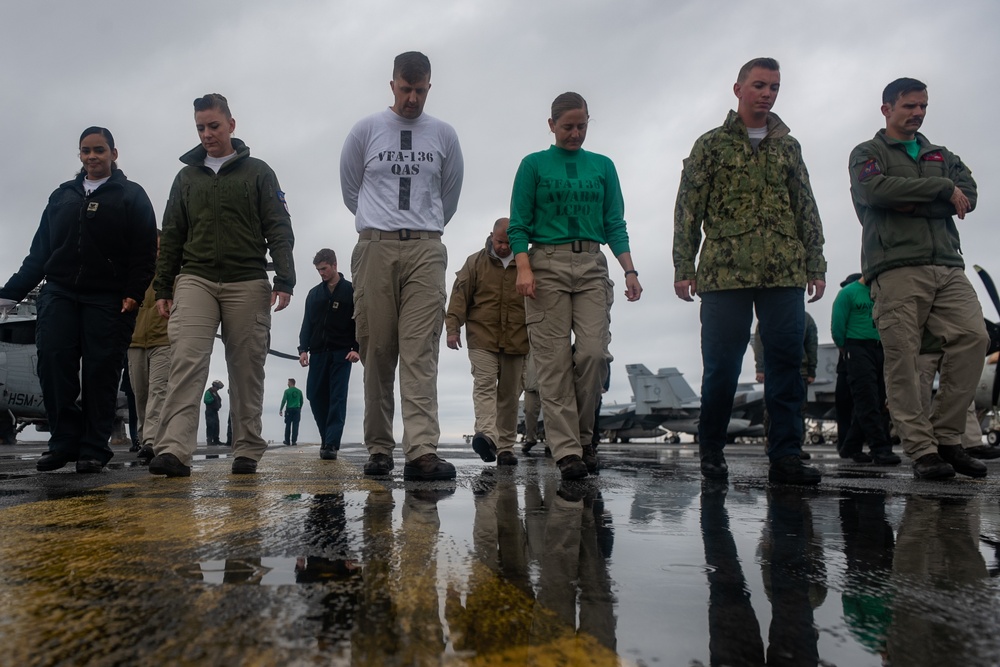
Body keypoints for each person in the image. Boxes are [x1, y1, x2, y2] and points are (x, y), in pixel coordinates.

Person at [672, 57, 826, 485]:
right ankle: (711, 450)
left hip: (784, 271)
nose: (767, 93)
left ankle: (786, 457)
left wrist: (816, 262)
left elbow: (805, 206)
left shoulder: (788, 147)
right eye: (759, 85)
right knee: (721, 367)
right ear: (737, 89)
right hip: (725, 274)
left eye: (774, 87)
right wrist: (684, 266)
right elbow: (688, 209)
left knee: (786, 366)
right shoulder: (710, 145)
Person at [149, 93, 295, 477]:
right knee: (186, 360)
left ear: (232, 124)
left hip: (247, 279)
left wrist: (284, 277)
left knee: (247, 367)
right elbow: (173, 233)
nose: (207, 134)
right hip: (195, 278)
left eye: (214, 126)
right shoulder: (186, 178)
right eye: (200, 128)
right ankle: (174, 450)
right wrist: (164, 287)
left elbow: (278, 227)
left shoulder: (258, 172)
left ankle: (246, 448)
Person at [849, 77, 988, 480]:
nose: (918, 113)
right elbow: (875, 192)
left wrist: (914, 200)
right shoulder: (867, 152)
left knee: (974, 338)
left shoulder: (940, 154)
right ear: (887, 109)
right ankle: (922, 449)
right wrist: (942, 191)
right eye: (909, 106)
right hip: (895, 267)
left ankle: (948, 438)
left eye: (923, 106)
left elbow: (971, 196)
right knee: (903, 359)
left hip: (947, 263)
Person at [0, 127, 157, 473]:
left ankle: (93, 448)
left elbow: (144, 253)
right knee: (54, 362)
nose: (92, 157)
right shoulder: (63, 196)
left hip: (108, 297)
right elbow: (39, 253)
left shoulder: (131, 196)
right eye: (85, 151)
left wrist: (133, 293)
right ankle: (63, 442)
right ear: (80, 155)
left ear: (114, 154)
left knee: (101, 372)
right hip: (59, 292)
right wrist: (7, 296)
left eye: (99, 150)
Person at [340, 51, 464, 480]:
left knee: (420, 351)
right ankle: (378, 449)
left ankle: (422, 451)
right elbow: (350, 190)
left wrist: (419, 228)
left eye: (420, 90)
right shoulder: (365, 131)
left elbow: (448, 197)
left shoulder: (444, 135)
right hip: (376, 247)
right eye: (405, 89)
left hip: (426, 251)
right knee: (377, 349)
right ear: (392, 84)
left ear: (430, 86)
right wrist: (383, 227)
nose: (412, 98)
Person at [508, 91, 642, 480]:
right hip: (544, 264)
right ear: (551, 125)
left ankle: (584, 438)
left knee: (593, 355)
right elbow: (519, 223)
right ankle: (566, 450)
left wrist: (629, 270)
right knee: (552, 364)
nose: (575, 134)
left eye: (582, 126)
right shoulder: (533, 165)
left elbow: (615, 222)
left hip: (591, 265)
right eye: (567, 127)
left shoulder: (603, 166)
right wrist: (523, 268)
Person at [446, 217, 528, 467]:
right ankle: (486, 436)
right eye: (499, 241)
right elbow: (459, 296)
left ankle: (504, 448)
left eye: (508, 242)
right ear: (491, 236)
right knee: (483, 384)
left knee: (510, 395)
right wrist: (452, 328)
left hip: (517, 338)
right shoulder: (475, 262)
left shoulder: (527, 263)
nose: (503, 246)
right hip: (482, 337)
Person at [830, 273, 901, 465]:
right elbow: (837, 326)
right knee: (866, 398)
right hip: (857, 347)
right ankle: (880, 449)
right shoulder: (848, 293)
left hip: (880, 347)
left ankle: (851, 445)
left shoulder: (881, 293)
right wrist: (846, 349)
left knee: (877, 401)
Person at [298, 248, 360, 460]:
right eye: (318, 270)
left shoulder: (352, 291)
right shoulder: (314, 294)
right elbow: (307, 323)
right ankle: (327, 438)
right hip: (317, 353)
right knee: (314, 395)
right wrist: (303, 349)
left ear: (335, 265)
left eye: (324, 269)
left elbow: (360, 322)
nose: (321, 273)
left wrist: (356, 348)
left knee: (337, 397)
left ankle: (331, 444)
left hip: (342, 353)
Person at [752, 312, 819, 460]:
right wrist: (761, 368)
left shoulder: (806, 318)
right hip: (773, 369)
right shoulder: (768, 315)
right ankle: (771, 442)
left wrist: (811, 370)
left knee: (799, 409)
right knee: (772, 407)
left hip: (799, 370)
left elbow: (811, 343)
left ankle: (795, 446)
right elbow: (760, 342)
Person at [129, 236, 173, 463]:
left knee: (158, 391)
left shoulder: (172, 275)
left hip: (163, 341)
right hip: (135, 342)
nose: (156, 253)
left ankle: (151, 441)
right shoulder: (134, 273)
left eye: (160, 248)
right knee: (140, 394)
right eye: (153, 248)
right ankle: (143, 437)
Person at [279, 378, 304, 446]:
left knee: (288, 425)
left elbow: (284, 400)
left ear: (291, 383)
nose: (287, 384)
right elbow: (302, 401)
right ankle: (294, 441)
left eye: (288, 382)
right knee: (296, 425)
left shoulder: (287, 391)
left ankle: (287, 441)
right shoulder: (299, 391)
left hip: (289, 410)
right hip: (297, 409)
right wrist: (300, 408)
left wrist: (281, 409)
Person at [203, 380, 224, 445]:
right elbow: (206, 400)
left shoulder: (215, 392)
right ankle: (209, 440)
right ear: (214, 386)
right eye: (217, 388)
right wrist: (213, 399)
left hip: (215, 411)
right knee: (210, 425)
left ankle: (216, 440)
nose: (217, 389)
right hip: (210, 411)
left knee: (216, 425)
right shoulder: (209, 392)